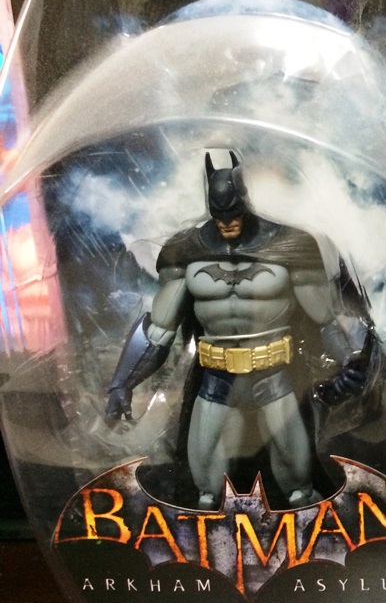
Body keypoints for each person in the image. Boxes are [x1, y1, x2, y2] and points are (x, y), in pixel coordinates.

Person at [105, 152, 370, 509]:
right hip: (217, 377)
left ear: (245, 201)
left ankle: (309, 527)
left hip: (273, 373)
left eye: (234, 214)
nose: (228, 224)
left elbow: (325, 319)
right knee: (205, 489)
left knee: (298, 482)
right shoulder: (187, 251)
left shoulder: (288, 247)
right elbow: (159, 331)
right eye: (220, 216)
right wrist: (122, 382)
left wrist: (350, 362)